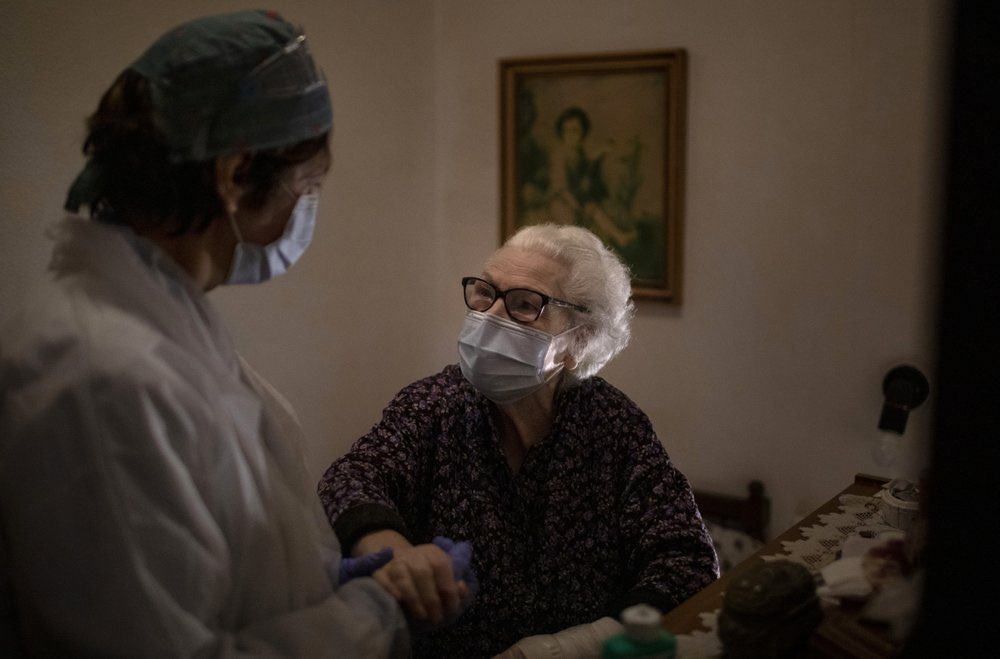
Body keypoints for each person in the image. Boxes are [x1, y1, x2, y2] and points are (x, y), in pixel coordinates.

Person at [0, 10, 409, 656]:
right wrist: (370, 616)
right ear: (235, 175)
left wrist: (323, 581)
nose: (306, 210)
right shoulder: (99, 377)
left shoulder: (167, 324)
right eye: (307, 185)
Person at [318, 224, 719, 658]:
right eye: (485, 292)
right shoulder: (434, 404)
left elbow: (688, 562)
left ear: (579, 341)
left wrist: (566, 649)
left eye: (525, 304)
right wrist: (393, 552)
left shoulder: (615, 426)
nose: (490, 316)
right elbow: (350, 479)